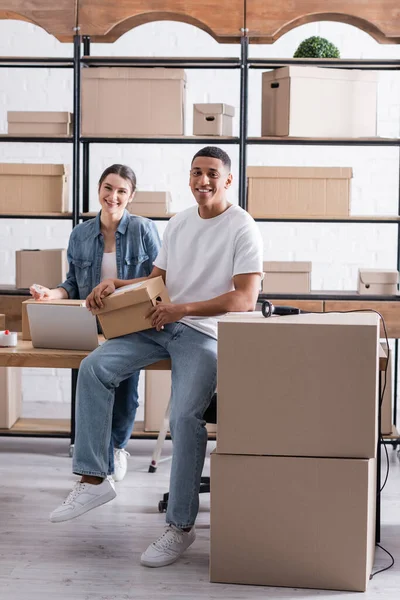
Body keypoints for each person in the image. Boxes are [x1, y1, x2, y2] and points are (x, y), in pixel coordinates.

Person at [49, 146, 263, 568]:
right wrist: (116, 285)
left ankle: (180, 527)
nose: (203, 181)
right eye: (196, 173)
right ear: (189, 178)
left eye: (212, 174)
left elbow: (244, 298)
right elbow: (157, 281)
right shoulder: (180, 222)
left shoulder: (243, 227)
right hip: (159, 323)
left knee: (185, 417)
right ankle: (94, 478)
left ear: (228, 181)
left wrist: (181, 309)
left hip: (203, 333)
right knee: (95, 367)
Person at [30, 164, 161, 482]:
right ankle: (92, 453)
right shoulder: (80, 233)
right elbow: (72, 286)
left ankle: (116, 448)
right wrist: (52, 294)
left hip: (130, 322)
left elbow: (159, 280)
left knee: (126, 391)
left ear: (131, 196)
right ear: (98, 189)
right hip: (89, 323)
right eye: (107, 188)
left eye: (121, 191)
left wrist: (119, 287)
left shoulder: (143, 230)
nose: (112, 196)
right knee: (87, 387)